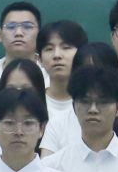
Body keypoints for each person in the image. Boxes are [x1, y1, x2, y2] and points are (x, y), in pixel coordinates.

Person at [38, 20, 89, 157]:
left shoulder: (94, 107)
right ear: (40, 59)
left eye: (66, 47)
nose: (57, 55)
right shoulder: (32, 104)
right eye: (49, 49)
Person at [0, 2, 43, 101]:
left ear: (40, 35)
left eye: (27, 26)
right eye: (11, 26)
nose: (18, 33)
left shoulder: (52, 75)